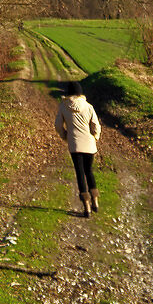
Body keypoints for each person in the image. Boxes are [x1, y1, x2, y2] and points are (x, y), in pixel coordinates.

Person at [53, 79, 102, 215]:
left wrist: (65, 136)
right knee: (89, 171)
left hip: (74, 145)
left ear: (68, 93)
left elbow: (58, 126)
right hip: (89, 144)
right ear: (80, 93)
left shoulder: (63, 106)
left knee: (80, 173)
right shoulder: (88, 106)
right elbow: (96, 126)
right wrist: (95, 137)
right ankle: (95, 201)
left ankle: (86, 207)